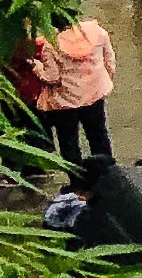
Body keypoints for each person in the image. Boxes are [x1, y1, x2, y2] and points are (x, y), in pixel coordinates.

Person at [10, 12, 113, 166]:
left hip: (66, 101)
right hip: (94, 94)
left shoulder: (52, 46)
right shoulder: (97, 32)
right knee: (98, 134)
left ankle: (77, 176)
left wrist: (36, 66)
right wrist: (103, 81)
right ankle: (108, 171)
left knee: (68, 141)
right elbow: (109, 61)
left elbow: (52, 77)